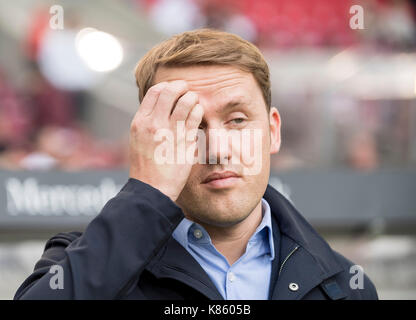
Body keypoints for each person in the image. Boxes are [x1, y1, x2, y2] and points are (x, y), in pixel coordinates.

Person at [14, 29, 378, 300]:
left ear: (273, 131)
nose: (216, 149)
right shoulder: (81, 264)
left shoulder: (346, 284)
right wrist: (147, 192)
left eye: (237, 120)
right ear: (150, 138)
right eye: (189, 125)